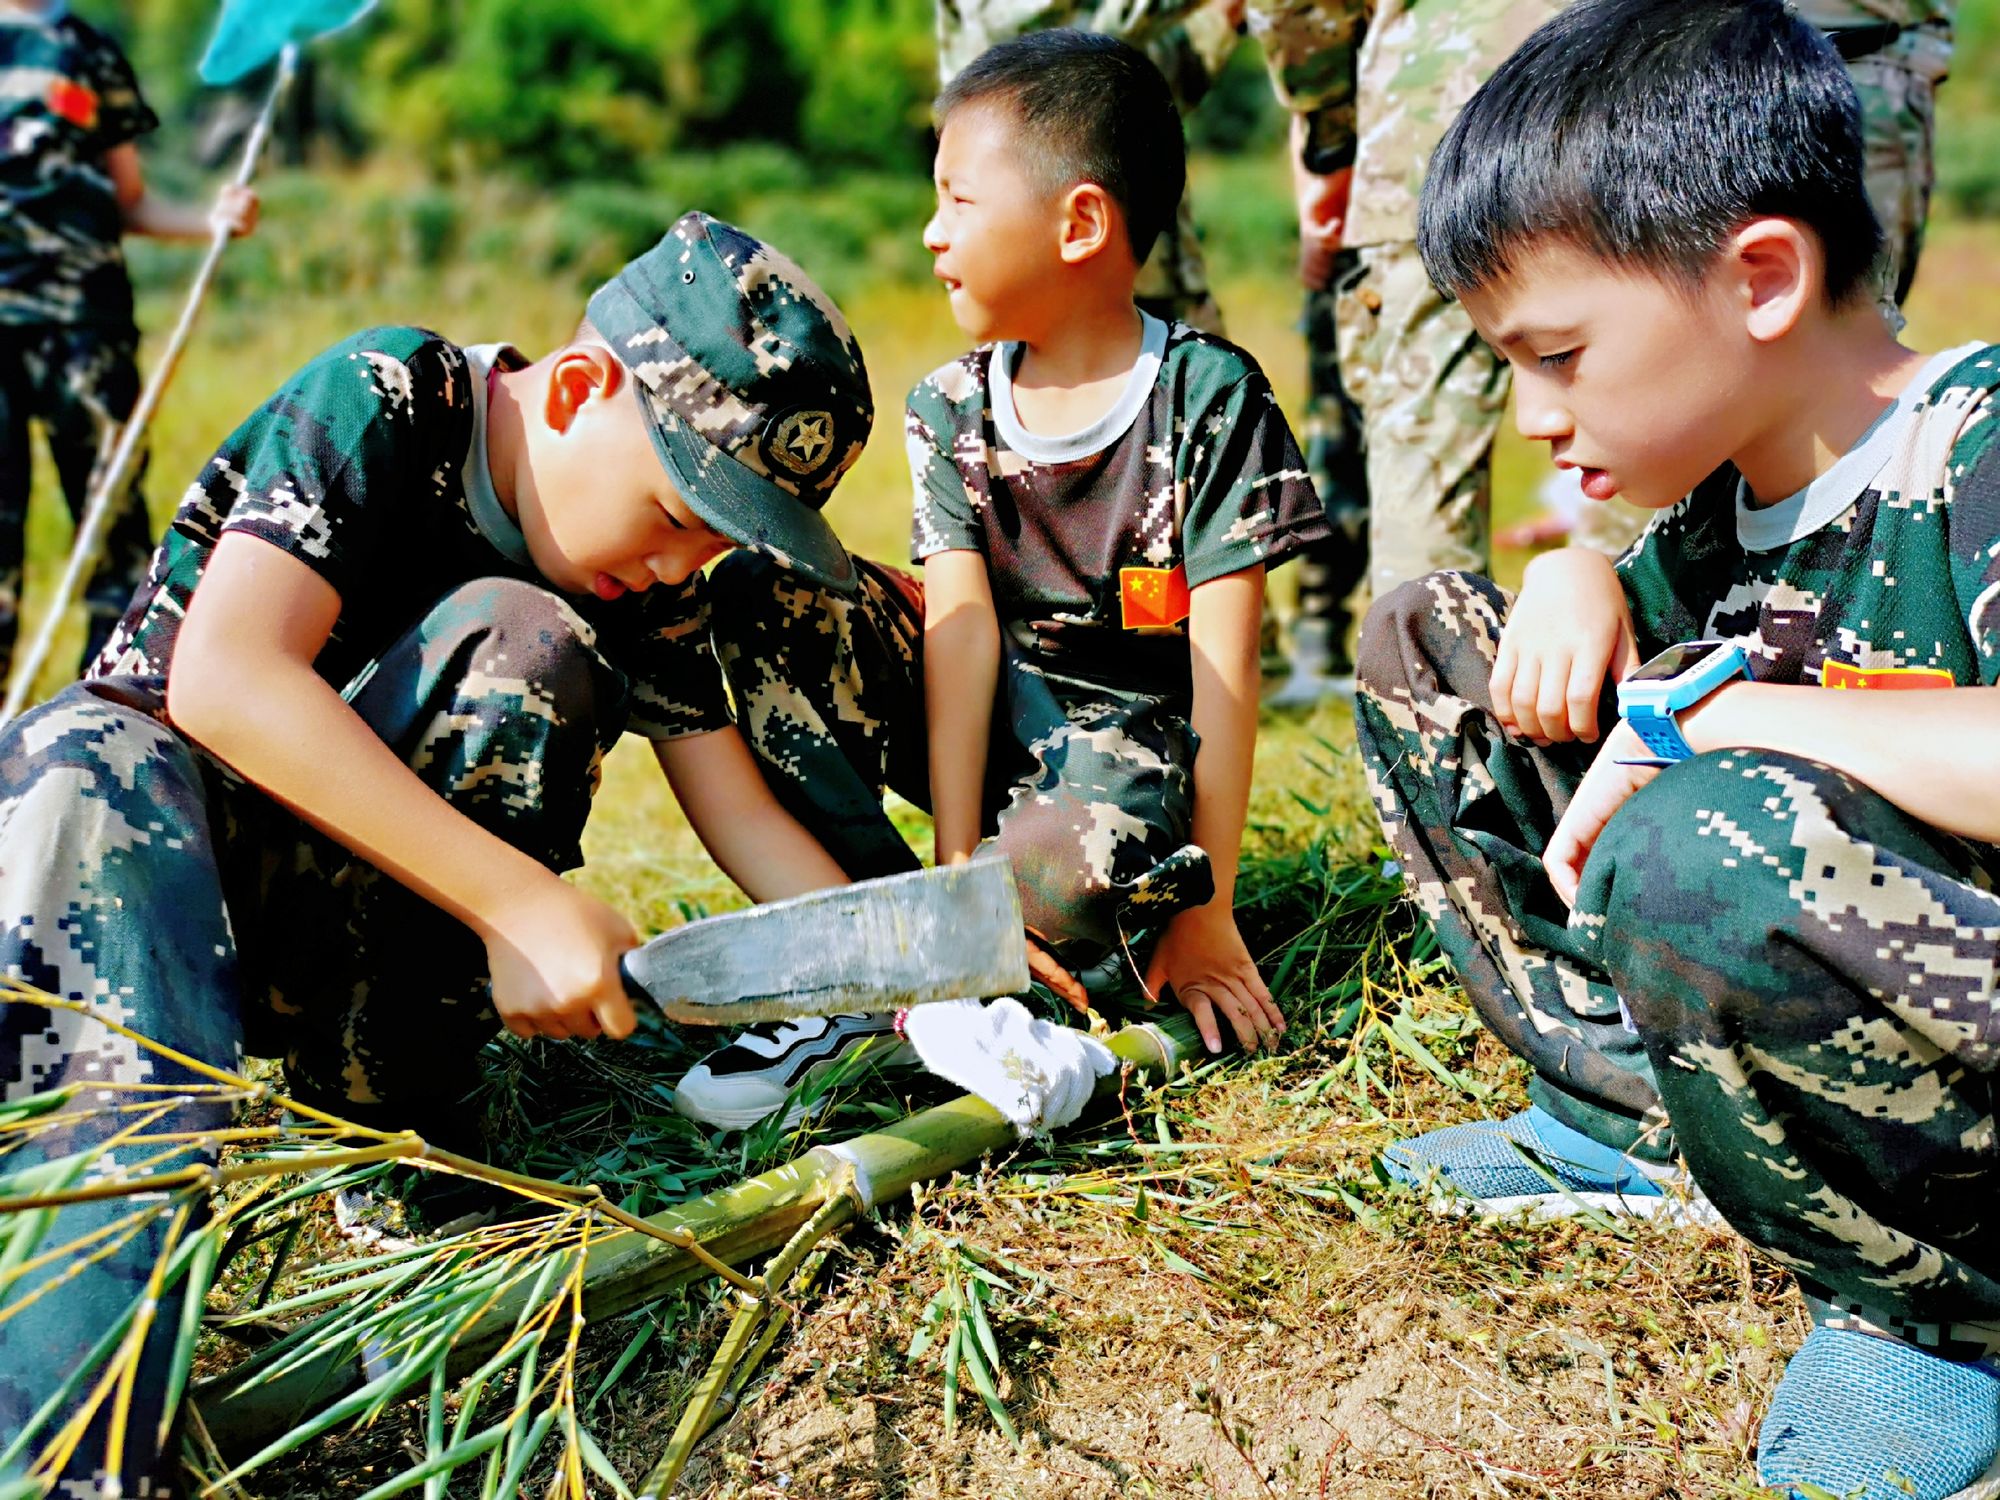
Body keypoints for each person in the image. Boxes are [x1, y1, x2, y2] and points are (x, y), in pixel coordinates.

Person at [0, 211, 878, 1493]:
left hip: (339, 936)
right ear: (578, 391)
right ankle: (69, 1446)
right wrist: (519, 902)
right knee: (89, 757)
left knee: (527, 649)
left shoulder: (647, 587)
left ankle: (393, 1154)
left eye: (717, 535)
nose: (684, 558)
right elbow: (227, 680)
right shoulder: (392, 396)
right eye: (677, 508)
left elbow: (733, 810)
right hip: (148, 893)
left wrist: (904, 971)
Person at [1353, 2, 1999, 1494]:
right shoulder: (1723, 509)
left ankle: (1937, 1302)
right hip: (1829, 995)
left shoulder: (1972, 445)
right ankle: (1632, 1124)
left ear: (1761, 278)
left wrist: (1720, 714)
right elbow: (1615, 670)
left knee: (1694, 829)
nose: (1532, 415)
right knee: (1435, 640)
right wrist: (1579, 575)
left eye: (1561, 354)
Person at [672, 32, 1326, 1132]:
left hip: (1126, 770)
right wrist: (949, 869)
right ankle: (886, 950)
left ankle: (974, 982)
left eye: (959, 200)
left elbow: (1223, 676)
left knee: (1090, 858)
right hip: (982, 731)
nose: (932, 233)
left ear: (1078, 223)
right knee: (755, 592)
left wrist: (1204, 907)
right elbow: (959, 628)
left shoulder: (1206, 394)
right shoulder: (949, 404)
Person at [0, 0, 258, 691]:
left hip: (86, 326)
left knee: (112, 528)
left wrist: (210, 221)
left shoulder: (87, 50)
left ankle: (99, 717)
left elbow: (131, 201)